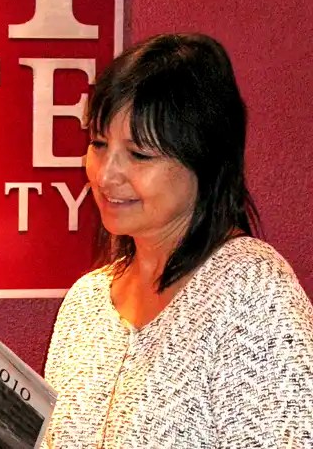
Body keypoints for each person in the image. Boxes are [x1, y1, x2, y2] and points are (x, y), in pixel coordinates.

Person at [43, 33, 313, 447]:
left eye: (139, 154)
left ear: (202, 158)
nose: (105, 175)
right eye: (98, 144)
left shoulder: (251, 290)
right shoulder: (86, 303)